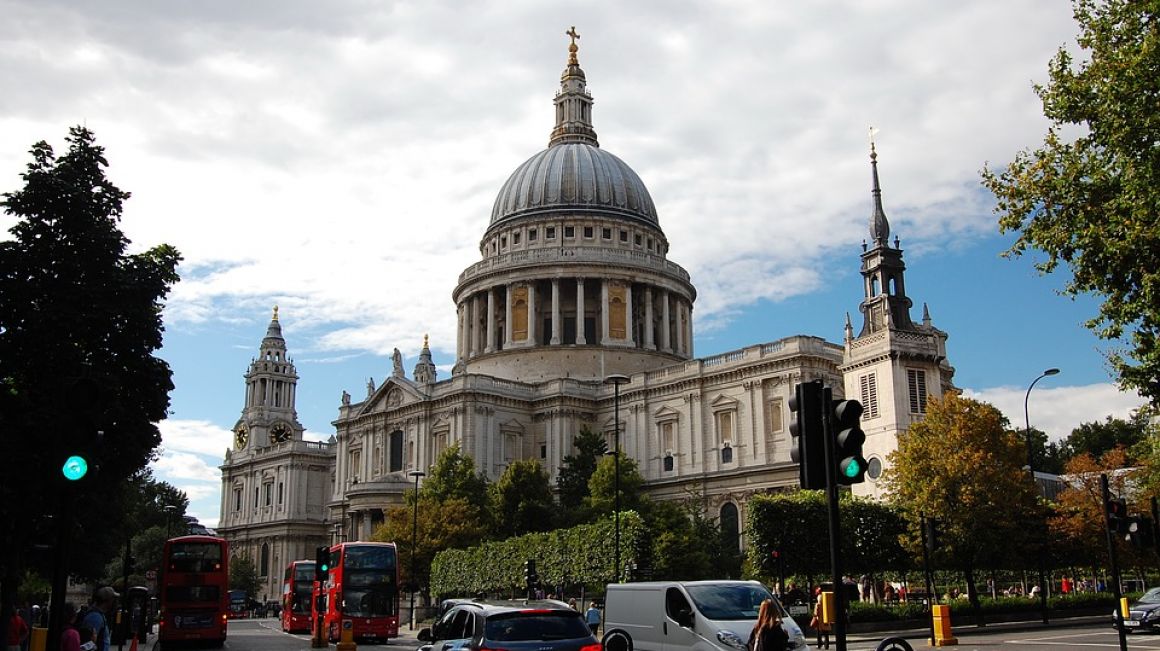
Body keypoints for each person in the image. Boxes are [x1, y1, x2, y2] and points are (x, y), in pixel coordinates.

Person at [82, 586, 118, 651]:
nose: (114, 602)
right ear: (107, 600)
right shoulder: (95, 617)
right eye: (113, 599)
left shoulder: (99, 615)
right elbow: (89, 644)